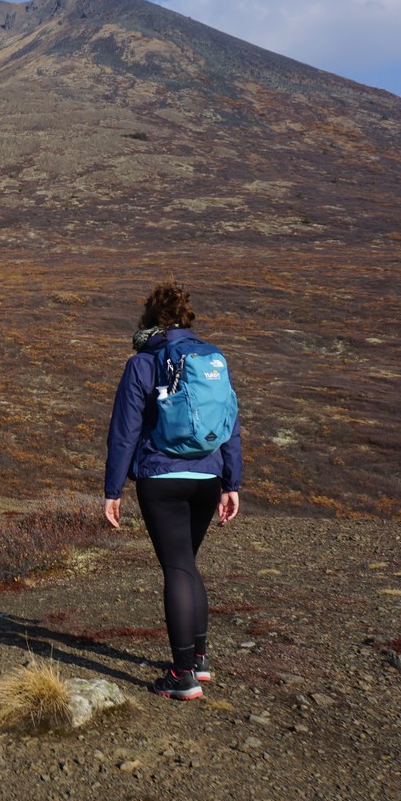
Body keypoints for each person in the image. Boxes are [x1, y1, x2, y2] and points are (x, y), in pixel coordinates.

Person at [103, 282, 242, 700]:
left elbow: (124, 432)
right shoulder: (212, 358)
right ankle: (198, 662)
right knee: (187, 564)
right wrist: (231, 482)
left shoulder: (142, 364)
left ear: (150, 320)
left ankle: (181, 676)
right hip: (208, 477)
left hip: (161, 479)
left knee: (178, 567)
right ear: (186, 317)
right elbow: (231, 422)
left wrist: (113, 489)